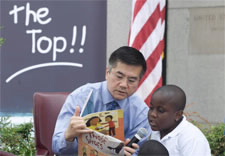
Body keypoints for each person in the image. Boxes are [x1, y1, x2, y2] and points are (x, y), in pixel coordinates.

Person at [52, 46, 152, 156]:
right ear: (107, 73)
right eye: (119, 76)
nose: (123, 85)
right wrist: (69, 136)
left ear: (139, 81)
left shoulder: (141, 112)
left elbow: (137, 151)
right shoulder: (81, 96)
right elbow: (56, 147)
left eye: (131, 80)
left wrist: (129, 153)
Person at [148, 85, 211, 156]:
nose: (153, 114)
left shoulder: (192, 138)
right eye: (151, 108)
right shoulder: (156, 131)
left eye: (160, 110)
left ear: (178, 115)